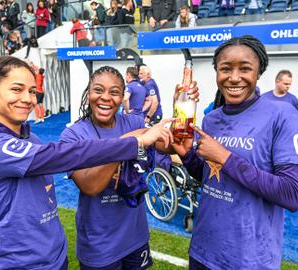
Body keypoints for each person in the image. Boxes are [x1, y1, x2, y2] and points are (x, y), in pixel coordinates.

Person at [0, 56, 171, 269]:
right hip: (17, 263)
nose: (28, 99)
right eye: (16, 89)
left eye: (32, 91)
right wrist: (132, 142)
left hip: (54, 258)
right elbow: (61, 157)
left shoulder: (30, 138)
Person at [171, 35, 298, 269]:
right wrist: (187, 155)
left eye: (245, 69)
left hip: (249, 259)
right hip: (203, 251)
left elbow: (293, 194)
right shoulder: (212, 118)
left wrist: (225, 157)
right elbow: (211, 177)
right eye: (225, 69)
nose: (234, 77)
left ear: (259, 72)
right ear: (217, 72)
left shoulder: (283, 115)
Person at [59, 65, 199, 269]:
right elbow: (90, 186)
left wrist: (181, 108)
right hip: (99, 245)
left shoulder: (134, 122)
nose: (105, 97)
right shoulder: (74, 136)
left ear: (122, 96)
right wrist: (132, 141)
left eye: (114, 92)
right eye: (98, 90)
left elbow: (171, 145)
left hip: (136, 237)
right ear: (88, 93)